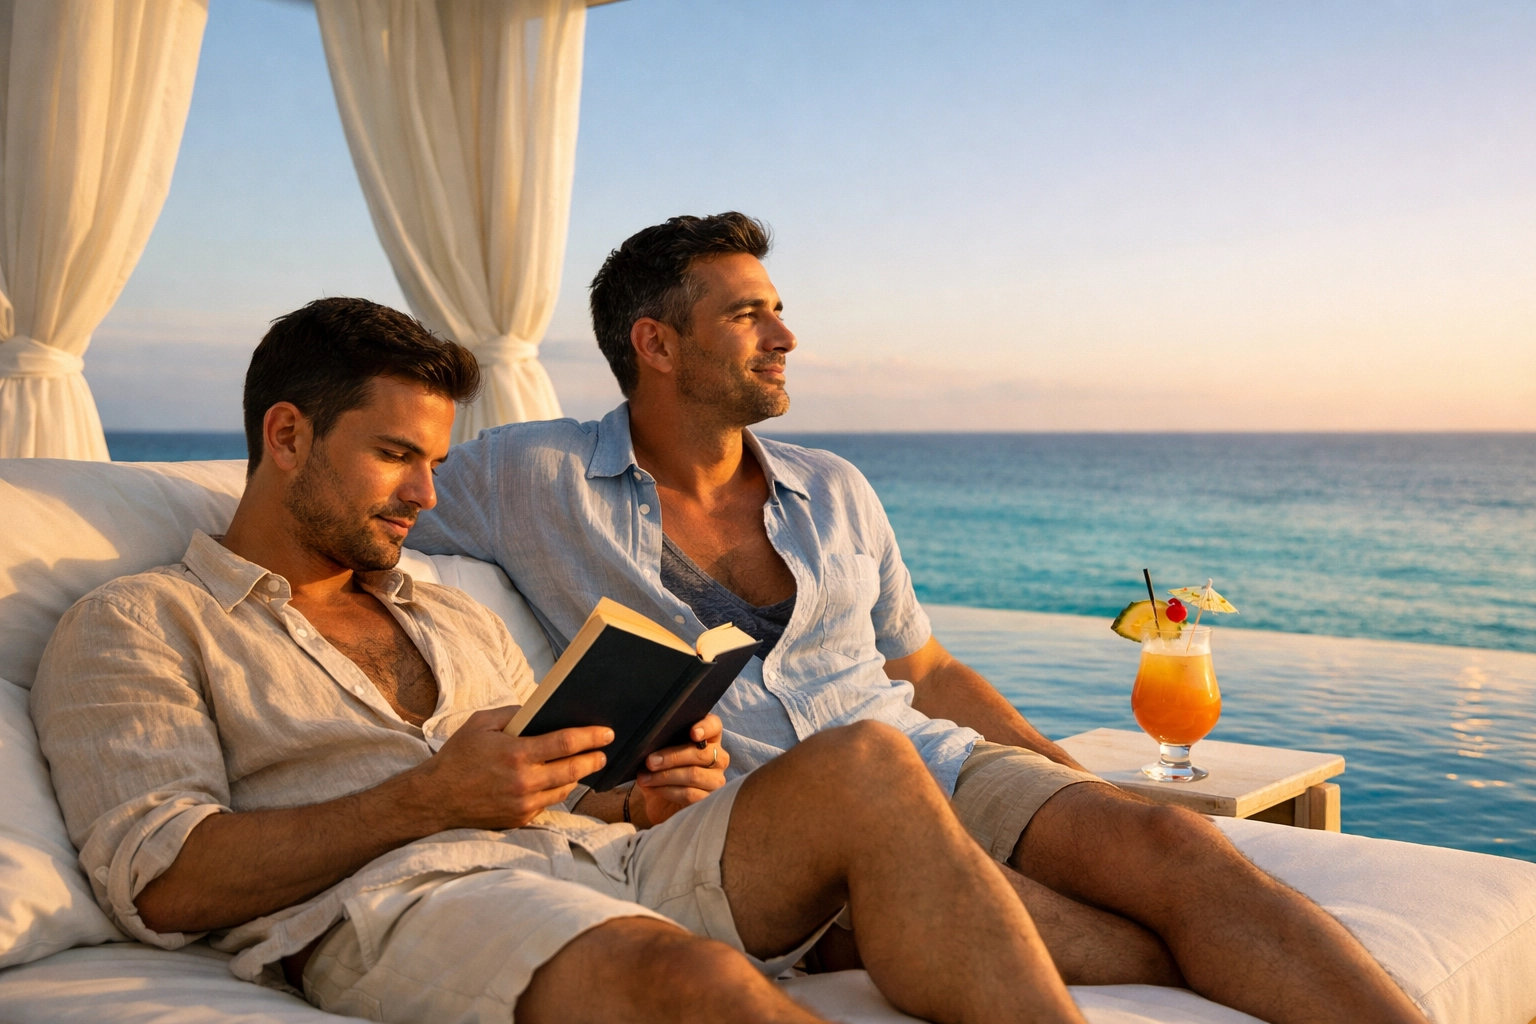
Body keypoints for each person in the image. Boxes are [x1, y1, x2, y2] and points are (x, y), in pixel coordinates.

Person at [410, 214, 1430, 1024]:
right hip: (786, 823)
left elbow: (929, 668)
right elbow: (357, 499)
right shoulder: (528, 476)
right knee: (1094, 936)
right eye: (749, 314)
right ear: (657, 344)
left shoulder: (835, 487)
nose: (787, 336)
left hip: (929, 756)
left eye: (780, 308)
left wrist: (1066, 781)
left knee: (1169, 848)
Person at [30, 298, 1091, 1024]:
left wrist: (638, 799)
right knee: (693, 981)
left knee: (869, 760)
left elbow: (552, 793)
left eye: (438, 463)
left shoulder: (448, 615)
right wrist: (428, 798)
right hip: (398, 898)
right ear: (288, 434)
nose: (428, 497)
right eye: (398, 456)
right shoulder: (139, 623)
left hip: (589, 862)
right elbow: (162, 882)